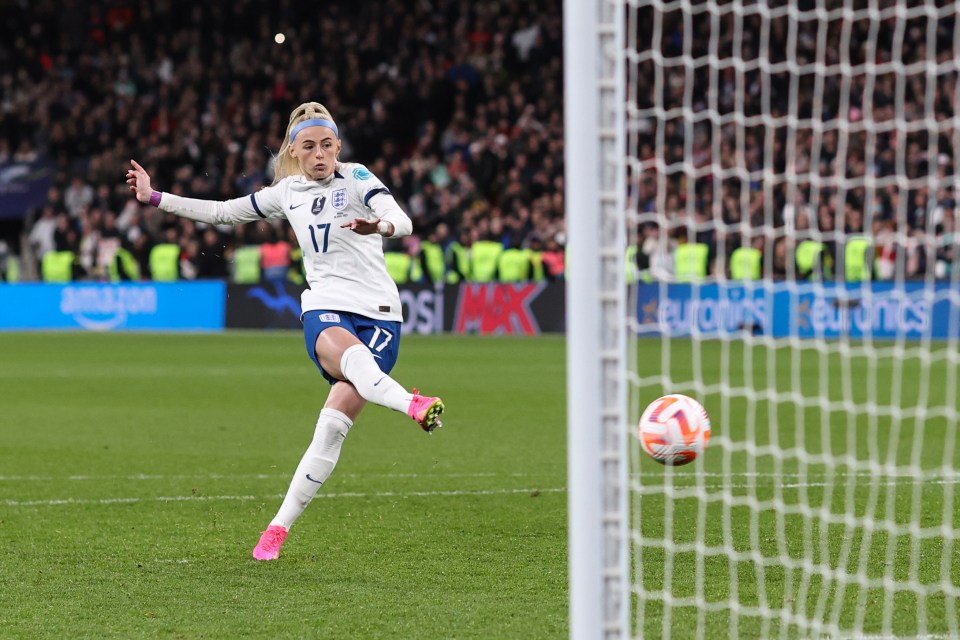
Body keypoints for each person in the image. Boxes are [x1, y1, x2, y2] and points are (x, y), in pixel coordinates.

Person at [125, 101, 446, 561]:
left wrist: (382, 224)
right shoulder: (286, 192)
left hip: (380, 314)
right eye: (309, 147)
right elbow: (222, 213)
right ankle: (412, 404)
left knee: (331, 429)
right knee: (343, 354)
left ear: (338, 146)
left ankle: (277, 527)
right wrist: (156, 198)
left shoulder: (356, 178)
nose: (320, 155)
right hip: (327, 304)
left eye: (327, 145)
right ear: (294, 152)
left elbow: (404, 218)